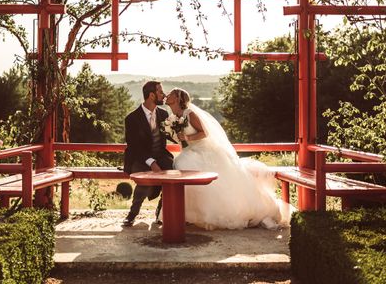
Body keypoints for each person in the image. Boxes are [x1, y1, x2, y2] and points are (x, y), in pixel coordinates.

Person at [165, 88, 291, 230]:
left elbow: (204, 133)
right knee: (181, 162)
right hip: (189, 150)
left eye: (169, 94)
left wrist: (187, 137)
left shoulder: (190, 114)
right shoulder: (174, 116)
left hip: (203, 150)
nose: (166, 95)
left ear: (177, 98)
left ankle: (208, 213)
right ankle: (190, 214)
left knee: (185, 163)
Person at [122, 81, 174, 227]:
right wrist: (152, 163)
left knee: (172, 176)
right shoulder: (132, 118)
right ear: (151, 95)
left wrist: (185, 136)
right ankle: (132, 214)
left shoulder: (163, 114)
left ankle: (160, 211)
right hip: (140, 157)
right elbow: (135, 147)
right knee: (144, 180)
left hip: (160, 155)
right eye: (160, 92)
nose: (163, 95)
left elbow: (170, 135)